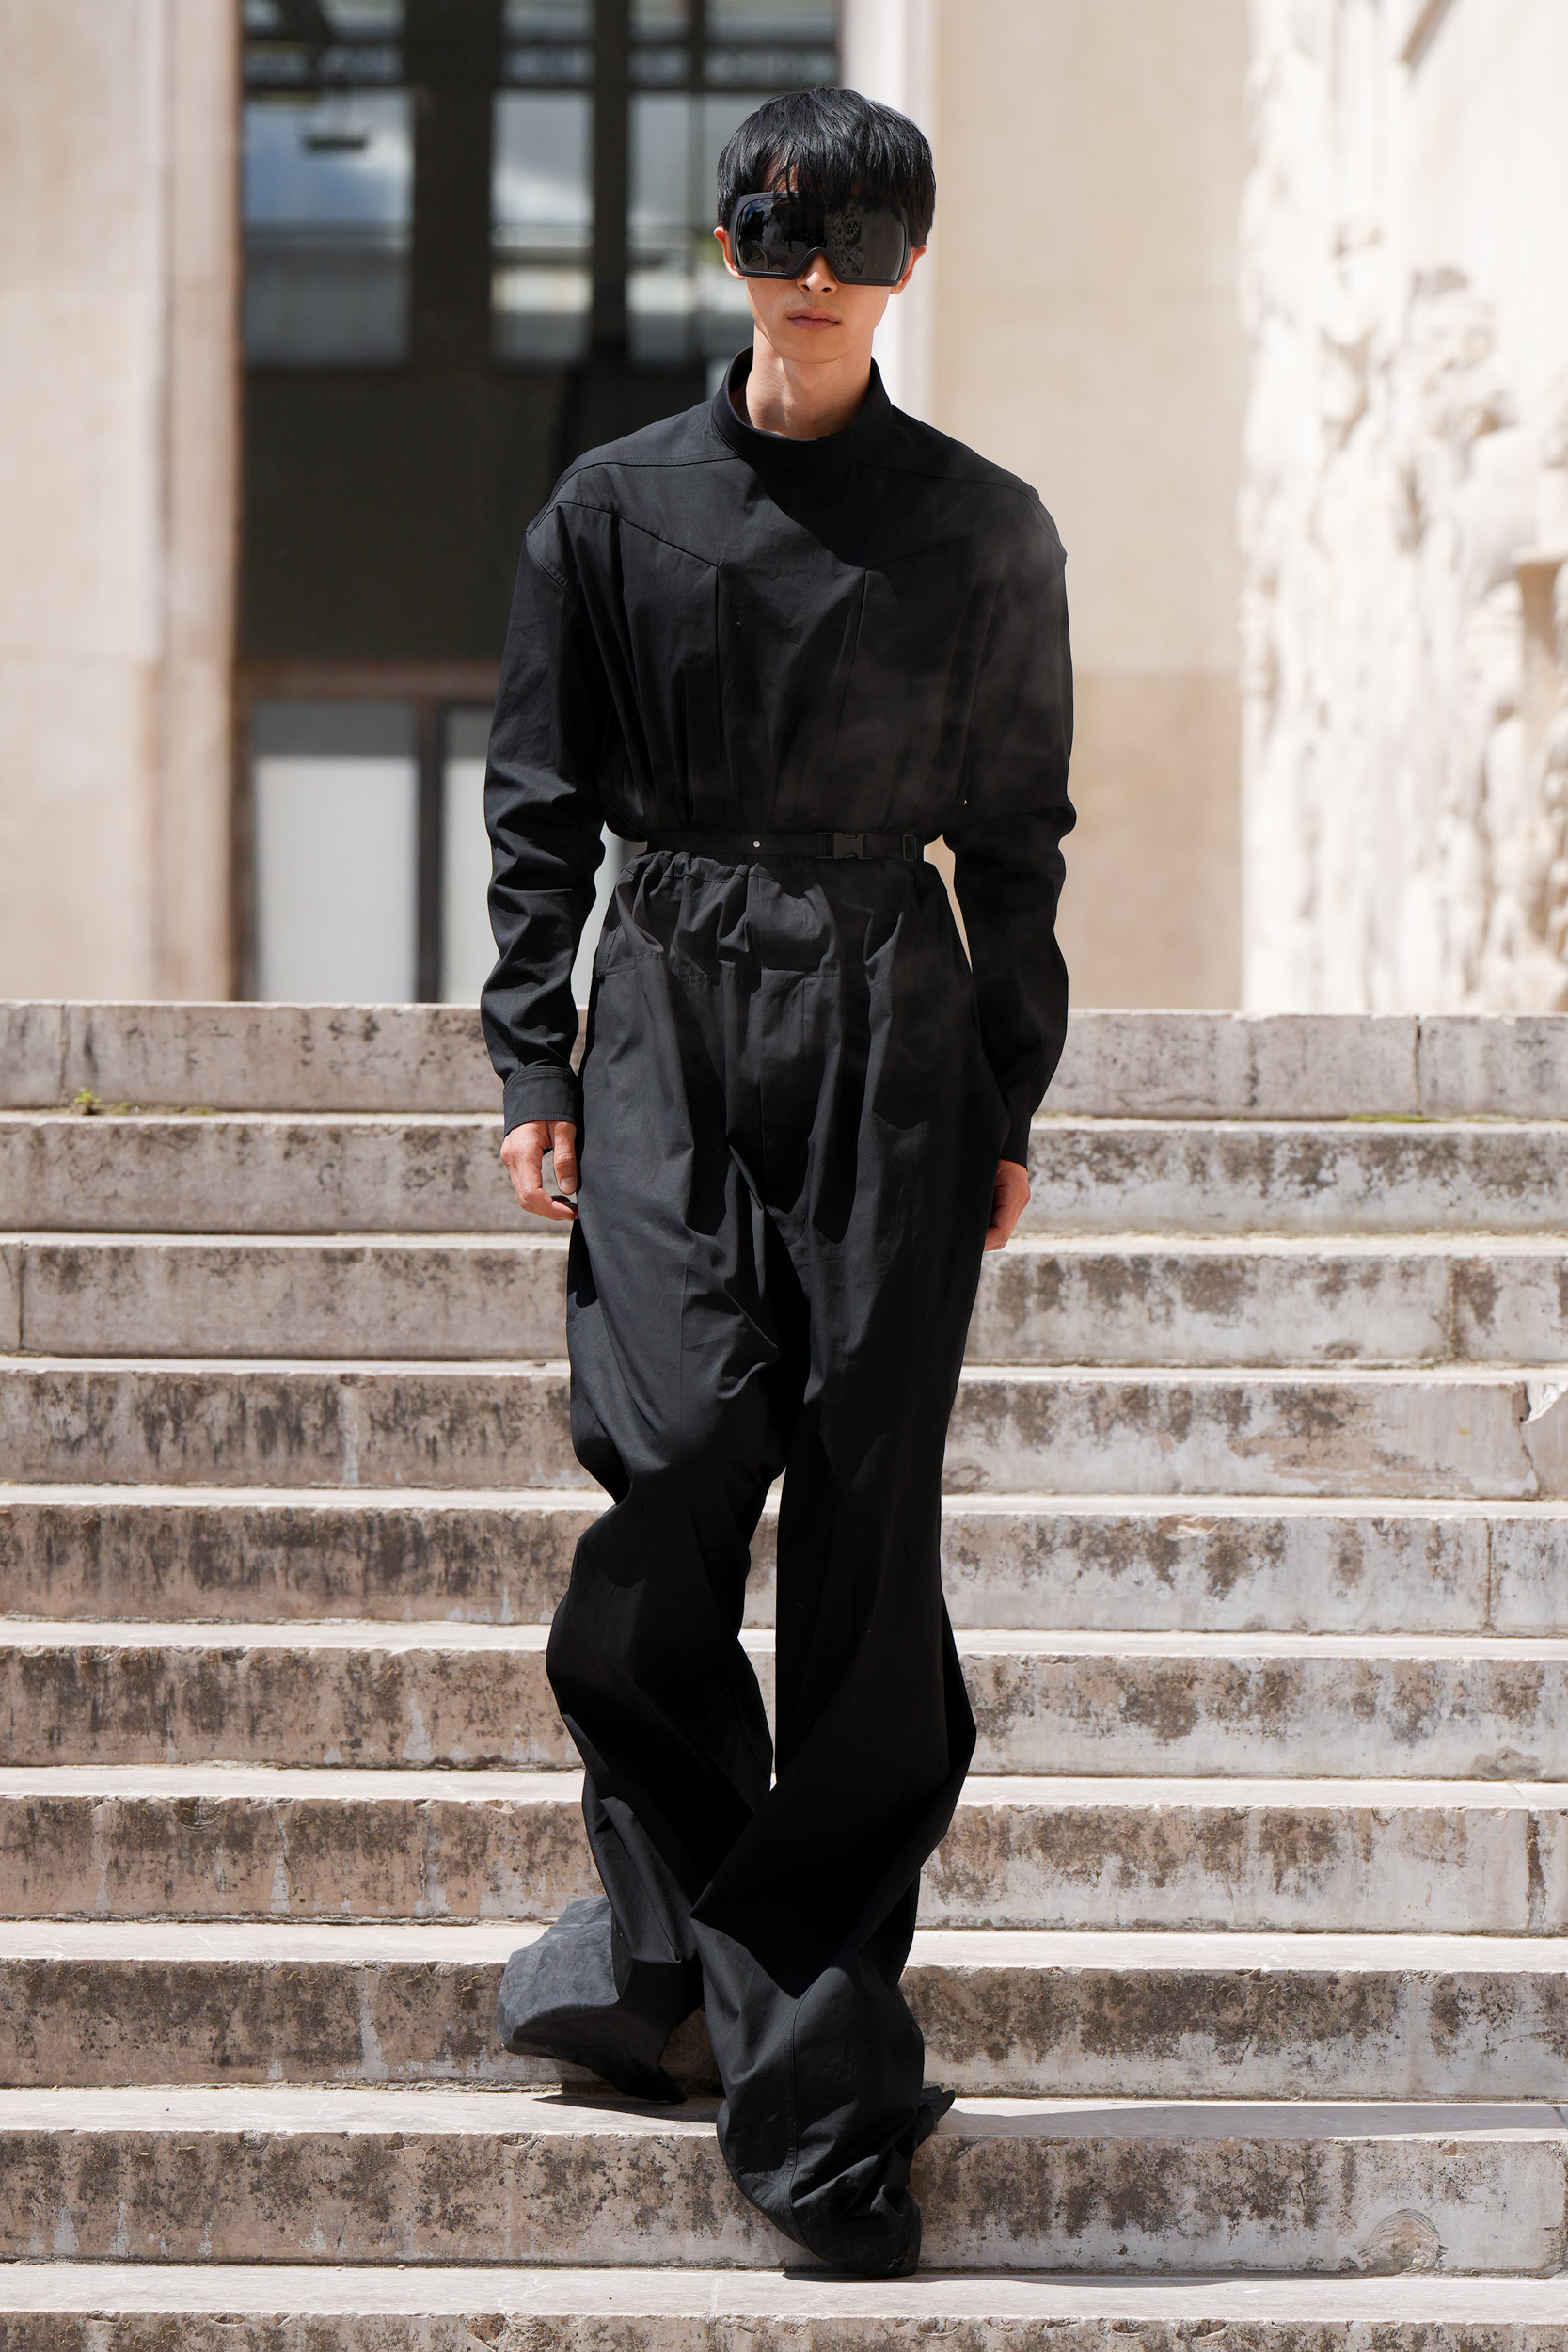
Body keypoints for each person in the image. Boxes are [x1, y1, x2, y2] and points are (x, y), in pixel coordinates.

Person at [482, 85, 1074, 2278]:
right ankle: (688, 1933)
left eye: (858, 241)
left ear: (909, 265)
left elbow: (1016, 843)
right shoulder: (609, 510)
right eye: (775, 230)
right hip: (667, 998)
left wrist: (1006, 1095)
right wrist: (534, 1049)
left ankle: (789, 2051)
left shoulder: (986, 529)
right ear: (725, 244)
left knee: (863, 1513)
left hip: (891, 1016)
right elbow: (538, 800)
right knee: (674, 1444)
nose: (814, 274)